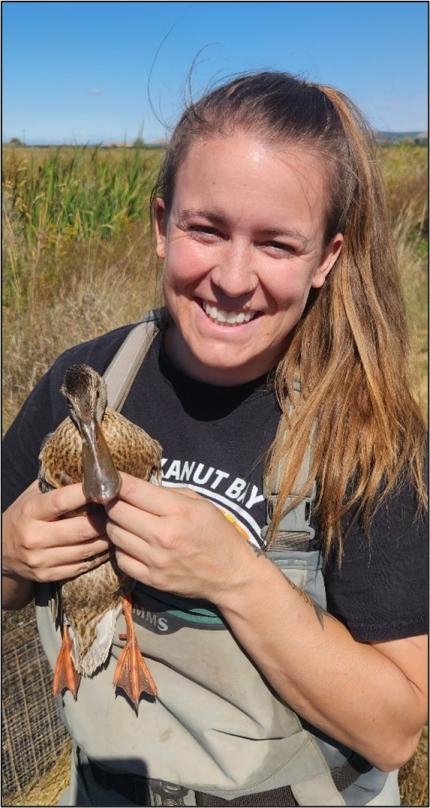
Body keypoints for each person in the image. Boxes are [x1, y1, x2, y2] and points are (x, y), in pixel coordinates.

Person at [2, 72, 427, 807]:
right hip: (108, 789)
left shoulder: (365, 436)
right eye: (207, 229)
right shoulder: (89, 382)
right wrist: (10, 552)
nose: (233, 278)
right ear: (161, 225)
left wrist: (231, 574)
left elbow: (393, 732)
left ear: (326, 259)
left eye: (276, 244)